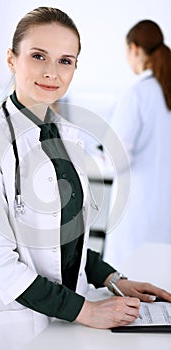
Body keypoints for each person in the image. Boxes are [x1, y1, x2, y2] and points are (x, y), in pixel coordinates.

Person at [0, 9, 171, 350]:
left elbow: (68, 241)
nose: (52, 72)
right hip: (14, 325)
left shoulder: (69, 137)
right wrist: (87, 311)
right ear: (12, 60)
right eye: (38, 56)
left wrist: (113, 279)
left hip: (67, 320)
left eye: (65, 60)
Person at [103, 20, 171, 268]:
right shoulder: (164, 92)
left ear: (134, 48)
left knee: (130, 289)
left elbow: (116, 161)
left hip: (137, 214)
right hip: (165, 214)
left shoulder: (137, 94)